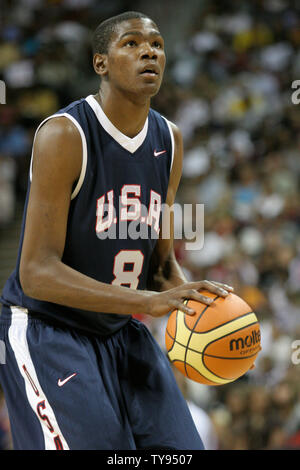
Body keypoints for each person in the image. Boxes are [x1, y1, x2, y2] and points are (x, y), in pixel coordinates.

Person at [0, 11, 233, 450]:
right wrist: (148, 301)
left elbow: (160, 264)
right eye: (131, 43)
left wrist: (195, 303)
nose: (149, 51)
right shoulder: (64, 135)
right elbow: (36, 273)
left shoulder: (170, 138)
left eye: (158, 44)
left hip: (120, 330)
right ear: (100, 63)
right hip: (49, 331)